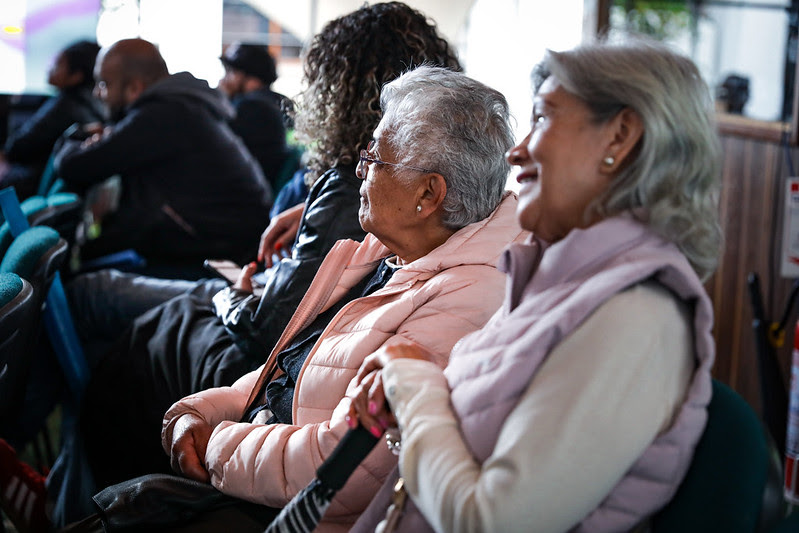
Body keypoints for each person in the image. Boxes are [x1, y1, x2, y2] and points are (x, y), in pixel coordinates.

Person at [18, 3, 462, 529]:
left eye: (376, 160)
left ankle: (62, 483)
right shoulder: (392, 198)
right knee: (147, 328)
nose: (367, 164)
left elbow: (281, 331)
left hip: (281, 367)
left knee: (137, 322)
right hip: (286, 352)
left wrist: (241, 297)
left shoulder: (358, 191)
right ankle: (71, 490)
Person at [65, 65, 524, 533]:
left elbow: (346, 469)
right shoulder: (394, 252)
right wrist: (200, 411)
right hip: (262, 453)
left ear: (429, 194)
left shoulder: (467, 299)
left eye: (375, 159)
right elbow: (289, 367)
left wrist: (214, 445)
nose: (361, 172)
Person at [347, 38, 722, 533]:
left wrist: (410, 381)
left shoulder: (636, 317)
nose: (515, 152)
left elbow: (493, 522)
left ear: (619, 137)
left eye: (543, 119)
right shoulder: (559, 284)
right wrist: (405, 409)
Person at [53, 38, 272, 278]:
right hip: (221, 244)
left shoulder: (164, 114)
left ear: (134, 88)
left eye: (104, 84)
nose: (97, 93)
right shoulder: (180, 106)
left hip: (220, 258)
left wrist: (75, 136)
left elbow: (75, 167)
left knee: (83, 285)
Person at [0, 40, 105, 200]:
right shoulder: (96, 103)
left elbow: (17, 147)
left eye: (58, 65)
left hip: (27, 186)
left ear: (75, 76)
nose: (49, 69)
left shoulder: (64, 106)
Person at [218, 42, 295, 191]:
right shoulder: (281, 104)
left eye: (232, 72)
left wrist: (221, 97)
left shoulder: (250, 108)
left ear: (252, 79)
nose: (225, 79)